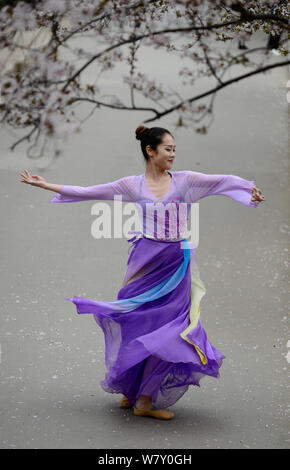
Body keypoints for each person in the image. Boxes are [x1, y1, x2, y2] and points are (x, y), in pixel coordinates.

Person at [20, 125, 265, 420]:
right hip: (144, 262)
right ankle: (132, 391)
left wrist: (248, 191)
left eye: (175, 149)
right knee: (136, 322)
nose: (173, 154)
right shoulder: (132, 185)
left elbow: (223, 181)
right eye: (167, 149)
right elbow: (90, 192)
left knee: (170, 329)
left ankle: (144, 399)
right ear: (151, 151)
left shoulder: (186, 182)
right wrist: (47, 186)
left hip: (175, 263)